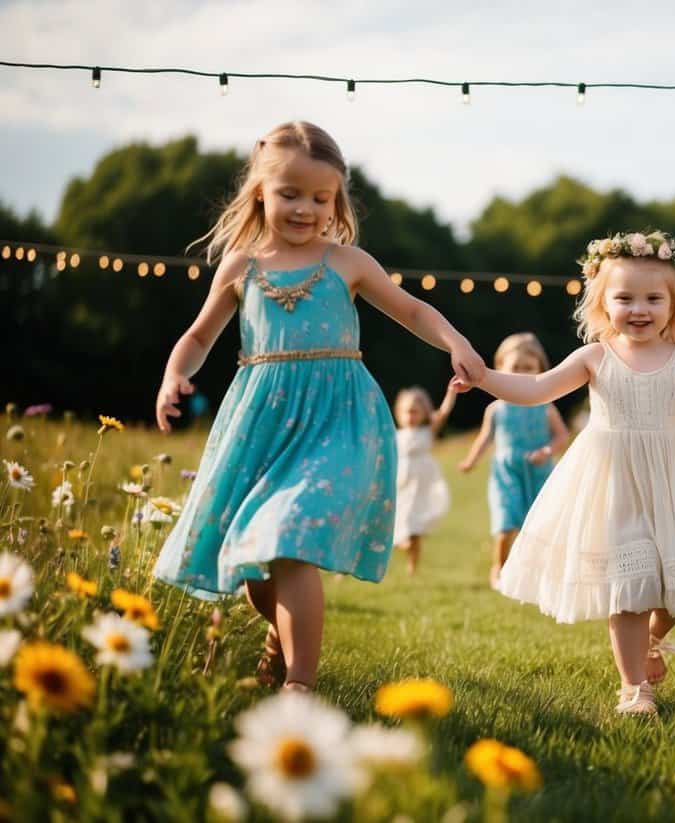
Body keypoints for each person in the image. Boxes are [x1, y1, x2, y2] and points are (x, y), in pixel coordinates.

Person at [152, 121, 484, 691]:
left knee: (291, 536)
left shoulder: (347, 263)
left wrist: (456, 340)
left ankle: (299, 685)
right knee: (257, 563)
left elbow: (410, 311)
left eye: (320, 197)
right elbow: (199, 336)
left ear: (337, 200)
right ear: (261, 192)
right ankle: (277, 636)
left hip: (336, 421)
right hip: (261, 425)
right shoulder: (241, 267)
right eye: (290, 194)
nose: (305, 208)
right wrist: (174, 374)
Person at [455, 231, 675, 716]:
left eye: (653, 298)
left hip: (674, 480)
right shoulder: (595, 357)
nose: (639, 309)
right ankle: (634, 686)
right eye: (625, 298)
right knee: (631, 584)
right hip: (614, 482)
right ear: (602, 303)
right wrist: (485, 378)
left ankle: (652, 641)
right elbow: (537, 387)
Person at [458, 333, 568, 588]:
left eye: (528, 368)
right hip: (506, 473)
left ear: (541, 370)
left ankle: (538, 573)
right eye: (514, 367)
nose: (520, 372)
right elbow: (485, 438)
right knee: (505, 521)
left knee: (539, 525)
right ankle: (499, 566)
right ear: (500, 369)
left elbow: (562, 435)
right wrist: (471, 461)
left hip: (539, 472)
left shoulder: (545, 406)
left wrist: (547, 451)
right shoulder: (496, 408)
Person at [392, 383, 456, 575]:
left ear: (424, 413)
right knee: (404, 522)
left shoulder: (427, 431)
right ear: (399, 413)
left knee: (416, 529)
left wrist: (451, 393)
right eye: (407, 412)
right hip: (403, 482)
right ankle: (399, 543)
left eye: (415, 412)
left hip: (422, 484)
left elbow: (443, 413)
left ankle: (413, 566)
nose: (411, 417)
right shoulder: (397, 435)